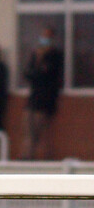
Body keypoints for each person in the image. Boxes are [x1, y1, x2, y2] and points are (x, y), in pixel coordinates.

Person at [23, 27, 63, 160]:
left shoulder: (55, 55)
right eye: (43, 36)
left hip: (45, 100)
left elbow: (47, 76)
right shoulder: (36, 53)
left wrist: (38, 72)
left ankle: (42, 158)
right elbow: (28, 73)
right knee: (28, 129)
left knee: (42, 131)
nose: (44, 39)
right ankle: (27, 156)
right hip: (33, 98)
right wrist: (38, 69)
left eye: (47, 36)